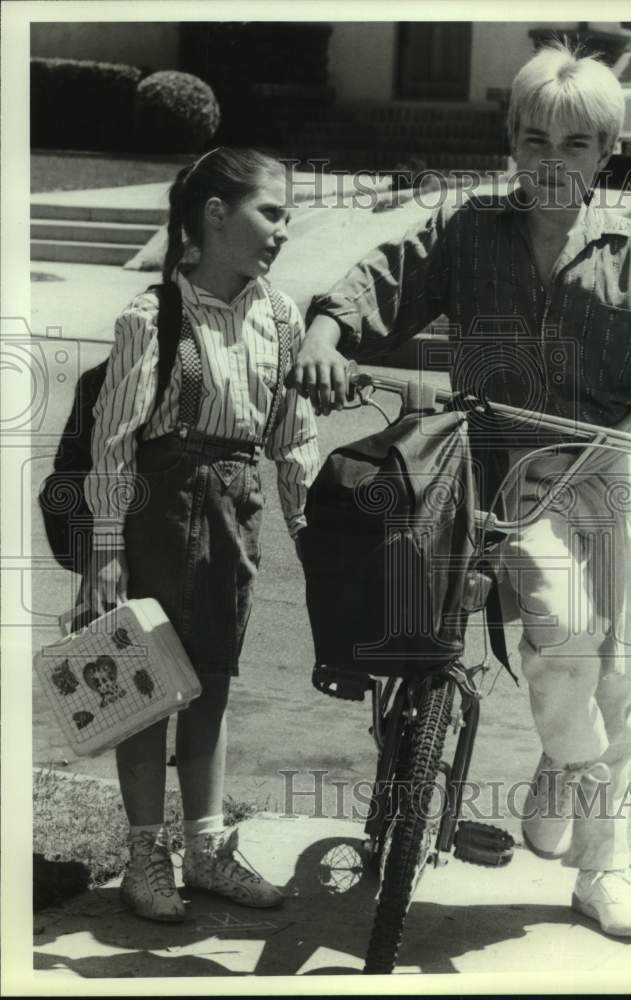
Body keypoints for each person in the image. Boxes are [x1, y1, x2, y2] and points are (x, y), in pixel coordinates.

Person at [290, 44, 631, 939]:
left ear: (603, 153)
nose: (550, 160)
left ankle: (601, 867)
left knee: (623, 672)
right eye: (534, 139)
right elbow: (377, 283)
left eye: (574, 144)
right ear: (511, 141)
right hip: (498, 478)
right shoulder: (467, 232)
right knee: (561, 630)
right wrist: (324, 337)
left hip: (608, 475)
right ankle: (573, 760)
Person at [84, 147, 320, 923]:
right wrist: (106, 556)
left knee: (212, 682)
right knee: (146, 690)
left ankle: (208, 850)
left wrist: (309, 528)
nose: (282, 230)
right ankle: (145, 857)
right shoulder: (153, 317)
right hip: (156, 516)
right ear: (216, 214)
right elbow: (113, 444)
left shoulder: (280, 319)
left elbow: (293, 436)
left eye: (286, 216)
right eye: (271, 213)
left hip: (232, 518)